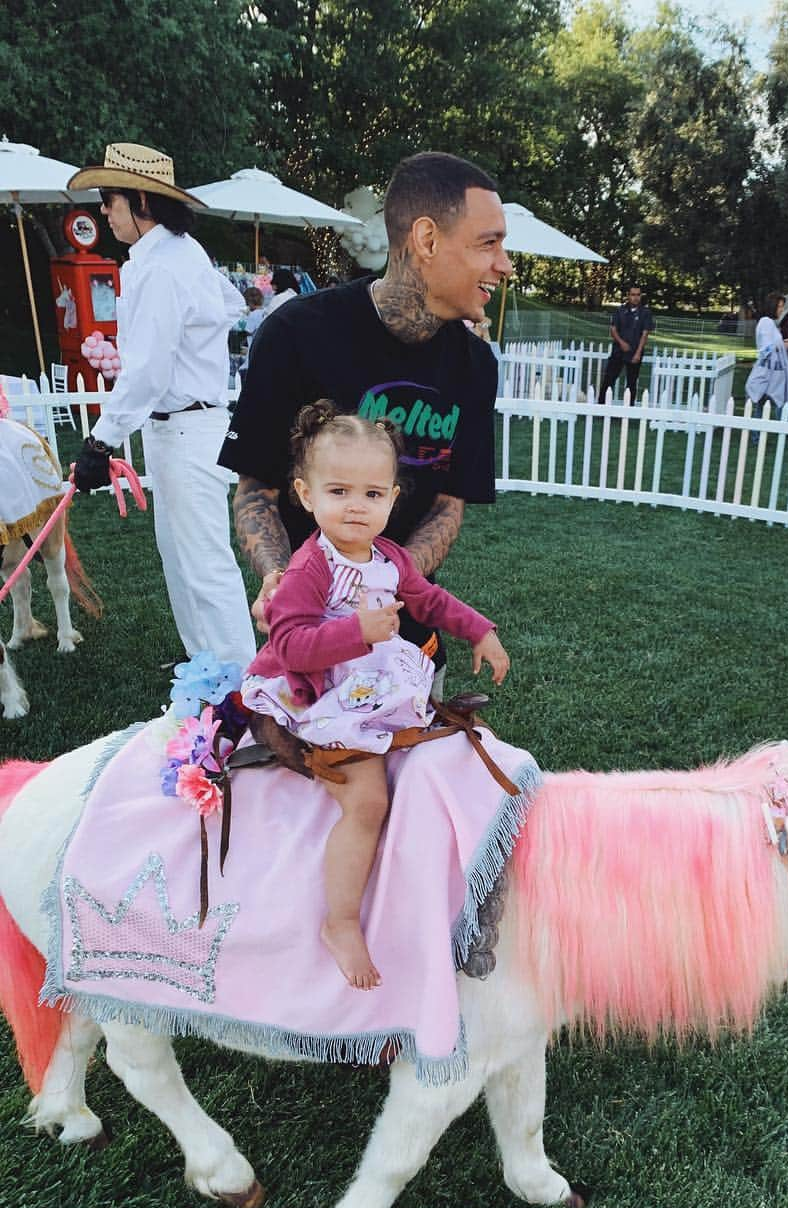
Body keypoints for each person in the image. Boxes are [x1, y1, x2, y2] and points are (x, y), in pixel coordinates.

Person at [220, 151, 513, 697]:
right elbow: (256, 489)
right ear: (426, 239)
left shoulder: (476, 367)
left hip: (411, 648)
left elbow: (449, 505)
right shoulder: (296, 334)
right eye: (488, 243)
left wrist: (382, 580)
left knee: (409, 775)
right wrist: (284, 581)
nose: (504, 264)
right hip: (305, 649)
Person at [242, 402, 509, 988]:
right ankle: (339, 921)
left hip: (369, 683)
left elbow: (429, 601)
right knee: (367, 800)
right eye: (338, 491)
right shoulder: (310, 568)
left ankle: (422, 895)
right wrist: (354, 633)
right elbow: (288, 645)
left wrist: (480, 630)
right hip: (318, 694)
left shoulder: (388, 557)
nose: (356, 507)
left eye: (372, 493)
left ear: (392, 499)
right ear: (306, 495)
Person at [67, 142, 256, 667]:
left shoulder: (163, 265)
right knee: (180, 558)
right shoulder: (175, 254)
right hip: (179, 427)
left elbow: (150, 370)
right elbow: (169, 350)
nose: (103, 210)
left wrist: (100, 442)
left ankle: (242, 691)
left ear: (141, 202)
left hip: (189, 430)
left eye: (109, 198)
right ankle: (207, 673)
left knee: (204, 564)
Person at [597, 285, 654, 405]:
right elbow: (613, 329)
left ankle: (628, 410)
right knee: (609, 379)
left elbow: (645, 334)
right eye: (633, 295)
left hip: (634, 353)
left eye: (638, 295)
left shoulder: (645, 313)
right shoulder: (620, 311)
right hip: (618, 351)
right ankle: (601, 408)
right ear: (628, 296)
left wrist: (638, 353)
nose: (635, 297)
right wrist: (621, 343)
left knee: (631, 383)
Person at [745, 292, 788, 412]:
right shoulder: (766, 322)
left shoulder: (769, 323)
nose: (782, 310)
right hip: (765, 375)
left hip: (769, 374)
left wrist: (783, 343)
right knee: (759, 410)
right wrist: (784, 345)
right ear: (772, 306)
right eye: (780, 306)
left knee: (761, 410)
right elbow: (766, 349)